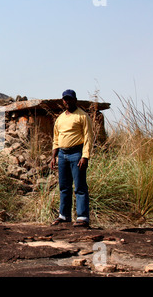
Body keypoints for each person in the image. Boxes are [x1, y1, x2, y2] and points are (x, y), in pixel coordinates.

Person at [50, 89, 94, 227]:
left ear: (75, 100)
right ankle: (64, 215)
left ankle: (82, 217)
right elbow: (56, 138)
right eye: (65, 99)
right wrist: (53, 157)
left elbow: (88, 137)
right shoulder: (60, 118)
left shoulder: (82, 116)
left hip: (77, 154)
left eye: (70, 99)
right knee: (64, 186)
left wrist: (85, 156)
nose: (67, 101)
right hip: (62, 155)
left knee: (80, 186)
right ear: (63, 101)